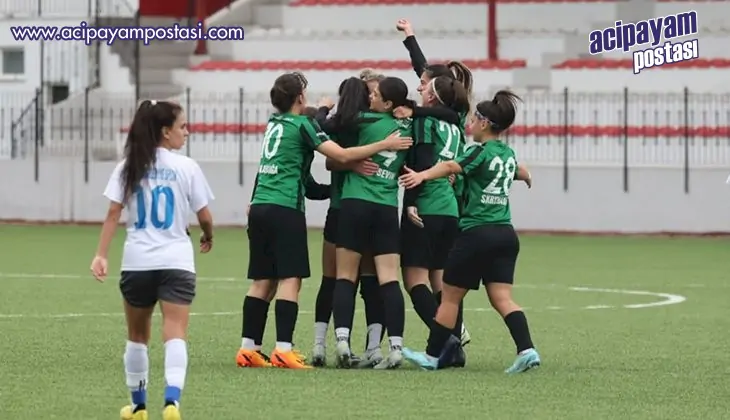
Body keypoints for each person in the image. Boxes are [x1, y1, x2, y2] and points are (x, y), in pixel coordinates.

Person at [236, 72, 412, 369]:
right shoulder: (303, 125)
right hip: (285, 208)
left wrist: (335, 186)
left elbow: (311, 183)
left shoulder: (274, 123)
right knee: (290, 279)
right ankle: (283, 349)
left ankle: (248, 348)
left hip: (260, 205)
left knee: (262, 281)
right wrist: (383, 145)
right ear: (299, 97)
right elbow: (339, 155)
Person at [90, 100, 215, 420]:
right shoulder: (187, 166)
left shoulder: (129, 165)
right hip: (177, 261)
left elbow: (113, 213)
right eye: (182, 126)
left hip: (138, 262)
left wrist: (101, 254)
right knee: (175, 332)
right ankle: (172, 402)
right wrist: (207, 234)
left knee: (137, 337)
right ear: (165, 132)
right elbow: (204, 215)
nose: (187, 132)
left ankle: (138, 406)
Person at [398, 91, 540, 373]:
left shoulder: (478, 151)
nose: (470, 124)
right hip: (505, 234)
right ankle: (527, 350)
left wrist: (422, 174)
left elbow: (451, 165)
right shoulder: (507, 154)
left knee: (450, 297)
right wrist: (525, 175)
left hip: (477, 234)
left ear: (485, 123)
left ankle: (432, 356)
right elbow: (517, 171)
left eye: (474, 120)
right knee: (502, 298)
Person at [331, 76, 413, 369]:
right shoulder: (409, 126)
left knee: (345, 276)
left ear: (388, 103)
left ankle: (342, 341)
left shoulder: (363, 120)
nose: (370, 97)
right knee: (389, 279)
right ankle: (396, 347)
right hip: (386, 207)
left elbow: (333, 123)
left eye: (375, 94)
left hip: (355, 202)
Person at [310, 78, 387, 368]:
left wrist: (322, 109)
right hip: (367, 209)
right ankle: (374, 348)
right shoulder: (376, 124)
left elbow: (330, 160)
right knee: (370, 282)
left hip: (340, 209)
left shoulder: (340, 123)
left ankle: (320, 345)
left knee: (333, 280)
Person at [399, 76, 470, 368]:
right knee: (443, 283)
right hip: (449, 208)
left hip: (427, 205)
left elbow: (422, 160)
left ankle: (446, 342)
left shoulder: (426, 122)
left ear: (432, 97)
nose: (421, 89)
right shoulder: (456, 126)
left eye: (426, 87)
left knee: (414, 279)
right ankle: (456, 348)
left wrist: (411, 200)